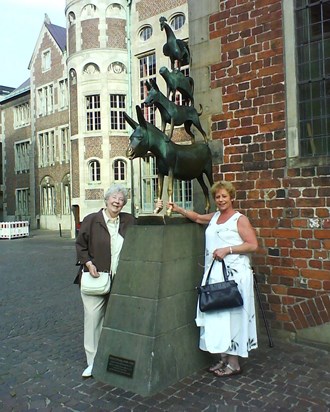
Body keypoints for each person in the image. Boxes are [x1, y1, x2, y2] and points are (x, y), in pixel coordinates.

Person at [167, 181, 258, 377]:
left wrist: (228, 249)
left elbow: (253, 245)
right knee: (217, 316)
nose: (221, 200)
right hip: (215, 274)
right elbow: (198, 218)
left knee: (233, 317)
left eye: (224, 196)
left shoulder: (239, 219)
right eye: (218, 197)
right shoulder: (216, 216)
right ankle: (223, 358)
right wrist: (178, 209)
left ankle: (234, 363)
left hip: (235, 277)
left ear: (231, 197)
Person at [75, 184, 136, 378]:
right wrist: (88, 263)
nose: (117, 201)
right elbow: (80, 245)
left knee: (115, 320)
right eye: (114, 198)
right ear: (107, 199)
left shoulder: (128, 221)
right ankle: (92, 363)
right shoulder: (92, 220)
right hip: (95, 278)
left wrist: (158, 210)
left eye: (121, 199)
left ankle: (110, 357)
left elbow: (147, 229)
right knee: (93, 320)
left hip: (118, 281)